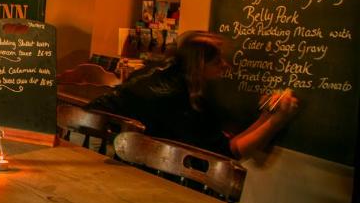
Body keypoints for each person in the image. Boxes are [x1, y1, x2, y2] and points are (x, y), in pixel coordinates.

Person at [88, 30, 298, 160]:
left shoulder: (156, 73)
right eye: (217, 62)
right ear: (198, 66)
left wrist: (265, 117)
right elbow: (227, 153)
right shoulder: (181, 99)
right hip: (142, 172)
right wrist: (275, 121)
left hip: (110, 153)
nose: (226, 66)